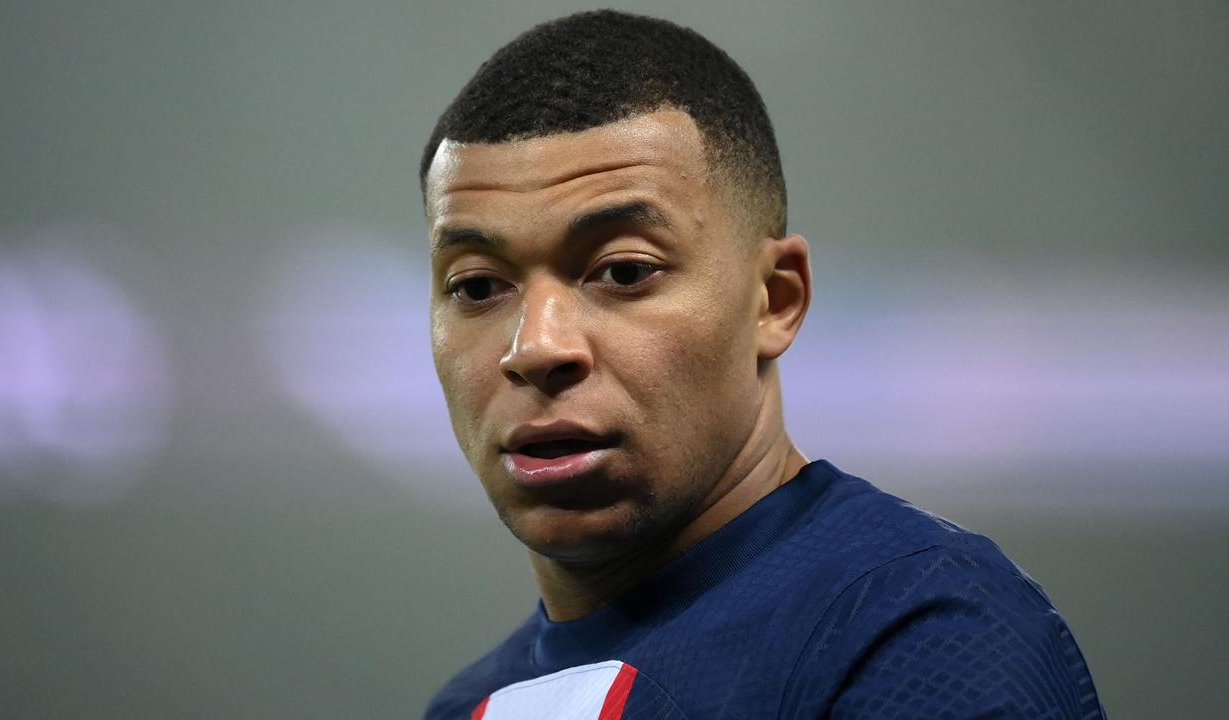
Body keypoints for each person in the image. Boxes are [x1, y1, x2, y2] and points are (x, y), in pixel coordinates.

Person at [419, 10, 1105, 719]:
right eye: (475, 287)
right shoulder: (466, 706)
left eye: (624, 271)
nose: (535, 348)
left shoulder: (920, 631)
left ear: (775, 301)